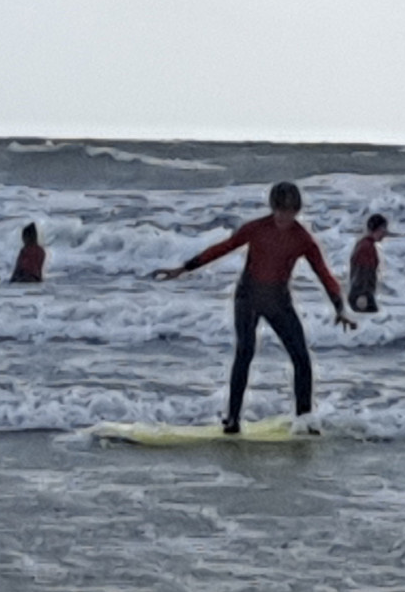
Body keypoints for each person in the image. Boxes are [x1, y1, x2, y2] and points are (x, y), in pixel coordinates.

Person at [153, 182, 355, 434]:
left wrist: (339, 307)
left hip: (278, 301)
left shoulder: (303, 239)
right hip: (248, 296)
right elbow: (223, 248)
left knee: (302, 359)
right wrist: (184, 268)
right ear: (273, 208)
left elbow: (324, 273)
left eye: (291, 212)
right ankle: (232, 420)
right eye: (281, 211)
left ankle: (304, 420)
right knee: (245, 353)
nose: (285, 218)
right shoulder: (257, 228)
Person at [348, 213, 389, 313]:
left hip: (357, 294)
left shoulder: (362, 244)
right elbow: (364, 274)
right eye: (384, 229)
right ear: (378, 229)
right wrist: (364, 296)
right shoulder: (368, 247)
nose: (385, 233)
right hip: (362, 296)